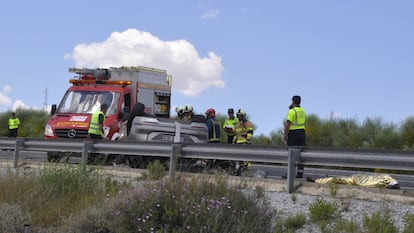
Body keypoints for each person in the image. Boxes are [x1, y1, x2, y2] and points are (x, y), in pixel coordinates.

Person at [283, 95, 306, 178]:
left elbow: (288, 124)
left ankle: (289, 174)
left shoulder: (292, 111)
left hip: (293, 134)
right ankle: (300, 173)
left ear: (293, 101)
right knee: (301, 154)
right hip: (302, 133)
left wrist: (285, 135)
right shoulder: (303, 111)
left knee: (291, 154)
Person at [232, 109, 254, 175]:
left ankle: (247, 171)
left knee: (245, 158)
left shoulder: (247, 123)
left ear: (243, 116)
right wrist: (234, 140)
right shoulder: (237, 124)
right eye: (238, 115)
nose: (239, 116)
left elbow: (250, 132)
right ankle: (238, 171)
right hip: (238, 143)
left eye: (240, 115)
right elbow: (236, 134)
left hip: (244, 142)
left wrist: (248, 140)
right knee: (238, 158)